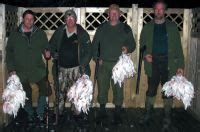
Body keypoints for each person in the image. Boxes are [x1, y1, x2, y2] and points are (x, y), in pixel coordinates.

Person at [139, 1, 185, 130]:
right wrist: (145, 55)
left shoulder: (172, 27)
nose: (159, 11)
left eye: (161, 9)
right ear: (154, 10)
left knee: (168, 91)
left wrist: (180, 65)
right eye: (156, 9)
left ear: (164, 11)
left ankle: (167, 116)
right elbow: (142, 46)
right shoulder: (147, 27)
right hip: (152, 62)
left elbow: (178, 48)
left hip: (168, 63)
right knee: (151, 89)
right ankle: (148, 114)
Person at [92, 4, 136, 126]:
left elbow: (133, 44)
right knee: (102, 87)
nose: (114, 14)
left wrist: (127, 48)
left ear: (120, 14)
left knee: (118, 89)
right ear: (108, 14)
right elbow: (94, 45)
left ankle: (117, 112)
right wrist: (96, 58)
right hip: (103, 64)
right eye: (111, 12)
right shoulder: (101, 28)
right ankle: (102, 111)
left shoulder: (126, 28)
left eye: (116, 12)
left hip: (119, 65)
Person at [6, 10, 50, 122]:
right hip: (20, 71)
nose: (30, 21)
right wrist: (11, 69)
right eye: (27, 19)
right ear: (22, 19)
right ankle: (30, 113)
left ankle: (40, 113)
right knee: (25, 93)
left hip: (37, 69)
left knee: (45, 88)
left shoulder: (40, 33)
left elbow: (46, 48)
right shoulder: (14, 34)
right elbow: (9, 53)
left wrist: (47, 53)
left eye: (32, 19)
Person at [49, 9, 92, 119]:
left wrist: (83, 64)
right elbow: (51, 45)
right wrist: (53, 53)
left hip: (77, 68)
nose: (70, 20)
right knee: (59, 90)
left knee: (76, 91)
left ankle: (76, 111)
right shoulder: (59, 31)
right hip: (61, 67)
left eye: (72, 18)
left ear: (76, 19)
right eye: (67, 18)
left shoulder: (82, 33)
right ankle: (58, 111)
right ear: (65, 20)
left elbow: (89, 51)